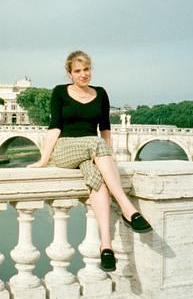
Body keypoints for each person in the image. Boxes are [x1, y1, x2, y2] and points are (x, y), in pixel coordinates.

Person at [28, 50, 152, 272]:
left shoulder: (101, 94)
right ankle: (127, 208)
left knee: (97, 180)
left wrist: (108, 160)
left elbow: (104, 129)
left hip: (91, 152)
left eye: (86, 69)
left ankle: (106, 247)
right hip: (65, 149)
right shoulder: (59, 92)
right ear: (70, 74)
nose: (83, 74)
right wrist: (43, 159)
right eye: (78, 71)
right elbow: (55, 126)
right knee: (95, 144)